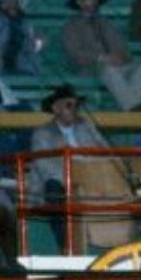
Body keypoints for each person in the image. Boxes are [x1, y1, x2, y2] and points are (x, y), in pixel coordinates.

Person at [30, 84, 111, 247]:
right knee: (53, 190)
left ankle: (113, 239)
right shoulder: (42, 133)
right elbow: (45, 168)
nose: (73, 109)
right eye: (68, 105)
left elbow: (105, 151)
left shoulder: (87, 127)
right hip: (61, 182)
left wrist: (91, 175)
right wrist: (74, 179)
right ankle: (66, 244)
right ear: (56, 108)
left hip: (91, 179)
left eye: (76, 105)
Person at [62, 0, 141, 111]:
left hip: (115, 66)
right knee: (108, 70)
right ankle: (134, 110)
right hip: (90, 69)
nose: (91, 2)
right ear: (79, 3)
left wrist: (120, 57)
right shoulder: (71, 27)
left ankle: (130, 106)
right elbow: (74, 53)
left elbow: (121, 45)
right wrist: (102, 58)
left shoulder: (106, 23)